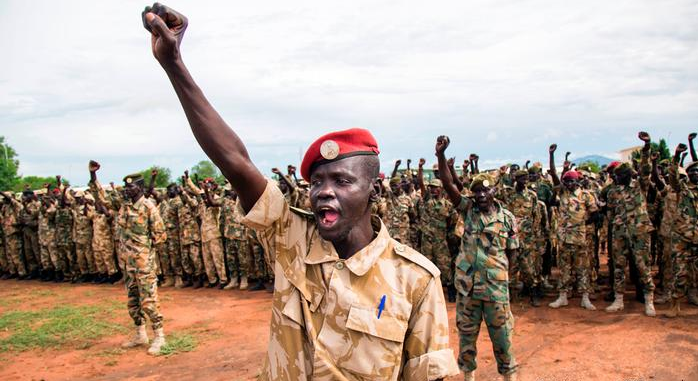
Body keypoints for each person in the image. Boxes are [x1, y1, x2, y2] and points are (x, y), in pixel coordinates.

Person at [141, 4, 459, 379]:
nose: (324, 192)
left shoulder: (415, 279)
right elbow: (235, 162)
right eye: (317, 182)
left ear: (374, 190)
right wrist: (174, 65)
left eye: (342, 181)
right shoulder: (291, 238)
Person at [435, 135, 519, 381]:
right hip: (468, 289)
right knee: (467, 337)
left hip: (496, 290)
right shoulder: (468, 210)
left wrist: (503, 278)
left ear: (495, 190)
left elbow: (513, 252)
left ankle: (508, 377)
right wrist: (440, 156)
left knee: (503, 338)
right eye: (477, 191)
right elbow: (449, 185)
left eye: (486, 189)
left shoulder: (507, 218)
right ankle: (468, 377)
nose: (481, 194)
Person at [117, 173, 168, 355]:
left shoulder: (148, 207)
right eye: (126, 187)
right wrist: (93, 174)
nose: (127, 190)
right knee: (133, 300)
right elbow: (100, 197)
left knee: (149, 300)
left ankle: (159, 336)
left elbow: (161, 236)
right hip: (128, 262)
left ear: (139, 187)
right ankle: (140, 334)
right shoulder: (125, 206)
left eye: (130, 187)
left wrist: (145, 252)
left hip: (143, 263)